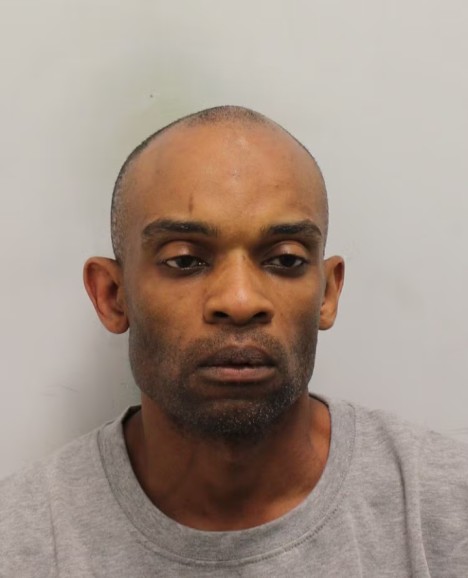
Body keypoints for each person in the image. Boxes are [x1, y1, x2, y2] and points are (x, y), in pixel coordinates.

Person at [1, 106, 468, 577]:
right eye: (185, 260)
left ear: (327, 294)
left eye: (285, 260)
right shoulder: (22, 542)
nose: (240, 301)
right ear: (112, 295)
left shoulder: (445, 510)